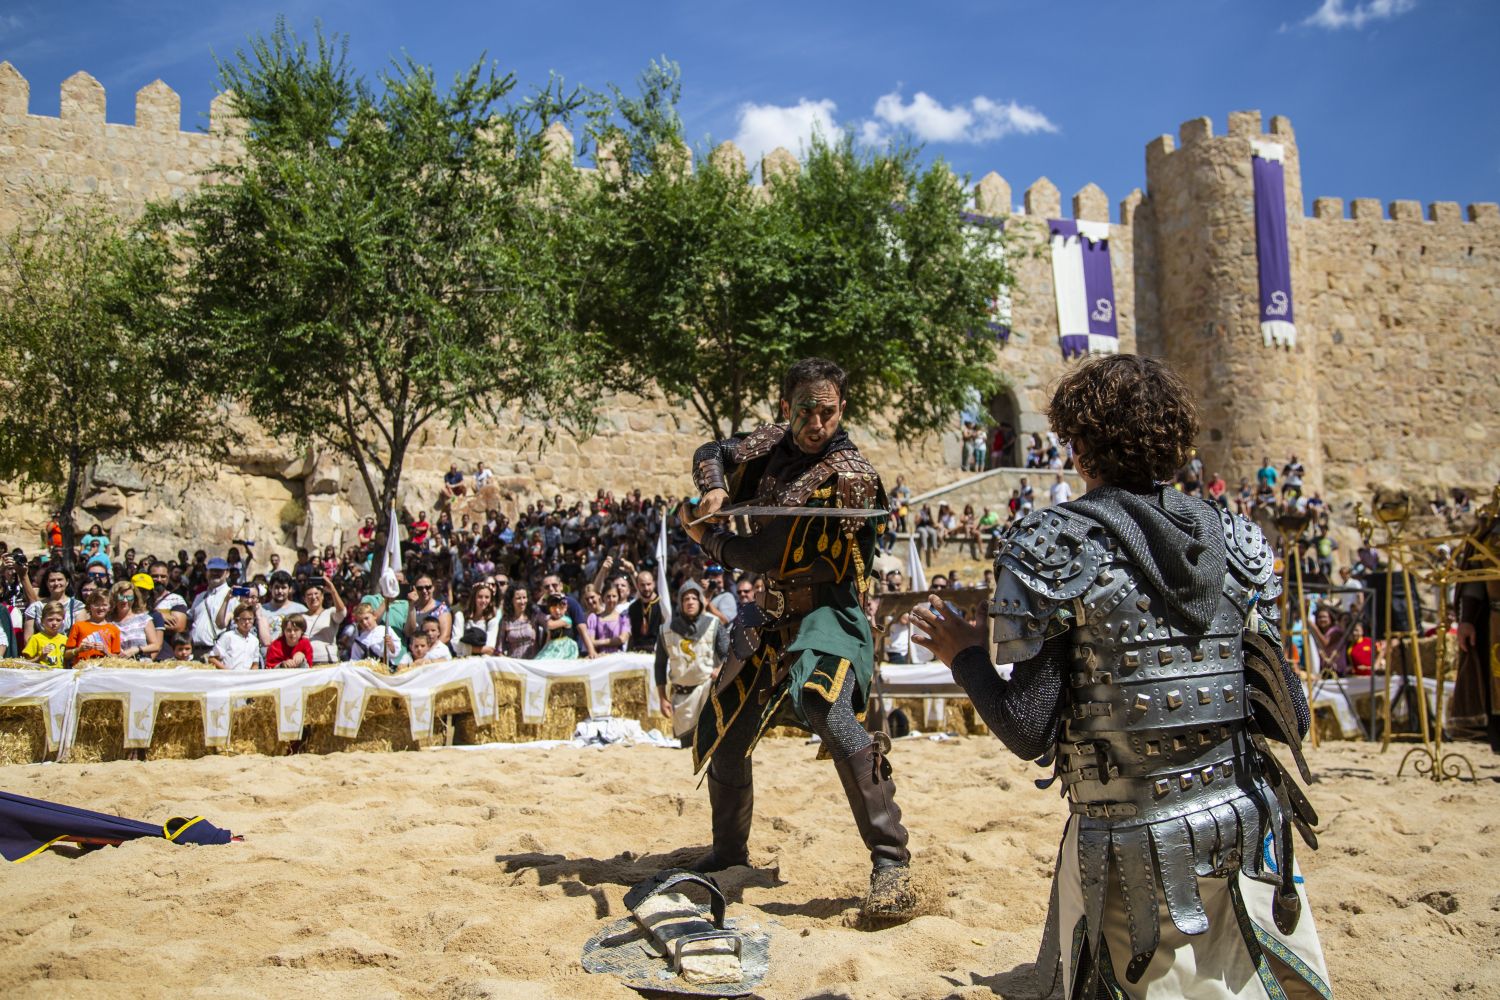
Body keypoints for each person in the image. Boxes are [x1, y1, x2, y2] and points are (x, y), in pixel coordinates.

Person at [911, 354, 1329, 999]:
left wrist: (964, 655)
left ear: (1079, 447)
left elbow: (1027, 730)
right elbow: (1292, 718)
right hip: (1245, 826)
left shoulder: (1051, 543)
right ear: (1176, 442)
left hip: (1130, 843)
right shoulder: (1241, 539)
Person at [680, 357, 916, 921]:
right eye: (805, 411)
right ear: (786, 409)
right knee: (726, 723)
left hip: (832, 613)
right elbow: (711, 450)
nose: (816, 423)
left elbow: (765, 554)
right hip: (775, 612)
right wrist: (714, 490)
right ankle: (729, 853)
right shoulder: (771, 440)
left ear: (842, 410)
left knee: (825, 706)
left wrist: (706, 541)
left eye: (827, 412)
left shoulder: (848, 476)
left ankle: (892, 864)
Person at [654, 581, 731, 741]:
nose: (690, 602)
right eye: (686, 599)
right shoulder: (666, 630)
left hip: (706, 692)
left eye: (694, 598)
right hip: (681, 697)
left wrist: (720, 668)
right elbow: (660, 665)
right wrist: (662, 698)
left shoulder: (713, 624)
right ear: (681, 603)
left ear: (701, 602)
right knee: (686, 745)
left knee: (709, 742)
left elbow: (728, 653)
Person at [189, 557, 234, 659]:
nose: (215, 573)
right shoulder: (200, 597)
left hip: (216, 653)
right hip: (195, 651)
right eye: (212, 570)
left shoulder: (232, 596)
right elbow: (190, 619)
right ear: (206, 573)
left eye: (219, 571)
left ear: (227, 573)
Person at [66, 590, 121, 666]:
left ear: (110, 607)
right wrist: (79, 650)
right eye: (96, 604)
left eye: (104, 605)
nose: (100, 608)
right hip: (81, 670)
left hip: (105, 670)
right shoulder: (78, 626)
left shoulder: (114, 630)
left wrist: (105, 651)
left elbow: (117, 658)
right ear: (89, 606)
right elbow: (66, 654)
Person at [108, 580, 161, 660]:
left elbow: (156, 646)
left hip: (142, 667)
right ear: (114, 598)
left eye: (129, 597)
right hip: (119, 667)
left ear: (134, 599)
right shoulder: (108, 622)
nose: (125, 601)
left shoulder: (144, 619)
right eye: (121, 597)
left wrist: (137, 649)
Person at [299, 577, 347, 663]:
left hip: (327, 660)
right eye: (309, 595)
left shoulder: (330, 612)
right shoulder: (300, 617)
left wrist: (333, 591)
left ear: (322, 596)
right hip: (305, 661)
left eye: (316, 593)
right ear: (304, 599)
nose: (313, 597)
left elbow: (342, 613)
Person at [210, 601, 263, 670]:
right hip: (228, 677)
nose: (247, 622)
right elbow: (212, 658)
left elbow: (255, 663)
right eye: (244, 619)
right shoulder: (228, 636)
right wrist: (227, 671)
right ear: (236, 620)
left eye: (250, 619)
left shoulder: (254, 640)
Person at [453, 582, 501, 656]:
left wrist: (466, 648)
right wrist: (480, 649)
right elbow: (455, 644)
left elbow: (490, 649)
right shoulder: (461, 616)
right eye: (480, 597)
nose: (483, 600)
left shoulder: (492, 621)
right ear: (474, 597)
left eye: (487, 597)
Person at [22, 601, 68, 668]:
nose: (54, 623)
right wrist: (40, 657)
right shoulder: (36, 638)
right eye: (50, 620)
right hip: (42, 675)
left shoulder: (65, 639)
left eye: (58, 620)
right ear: (42, 620)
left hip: (60, 676)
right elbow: (26, 663)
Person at [627, 570, 664, 653]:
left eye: (648, 584)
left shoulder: (662, 605)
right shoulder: (633, 607)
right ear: (637, 586)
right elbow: (631, 634)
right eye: (642, 585)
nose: (646, 588)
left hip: (656, 650)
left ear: (654, 584)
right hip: (636, 651)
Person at [499, 585, 541, 658]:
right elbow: (499, 647)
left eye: (524, 597)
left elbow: (548, 622)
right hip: (513, 664)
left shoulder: (534, 616)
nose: (522, 602)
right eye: (518, 598)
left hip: (533, 663)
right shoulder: (505, 621)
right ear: (511, 600)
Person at [535, 593, 579, 658]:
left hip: (563, 649)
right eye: (553, 609)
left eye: (561, 608)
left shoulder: (566, 620)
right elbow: (548, 639)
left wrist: (549, 618)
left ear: (565, 608)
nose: (557, 611)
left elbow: (550, 625)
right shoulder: (551, 620)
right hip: (552, 648)